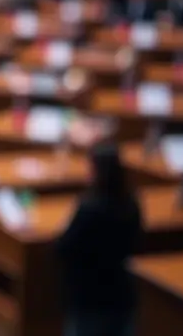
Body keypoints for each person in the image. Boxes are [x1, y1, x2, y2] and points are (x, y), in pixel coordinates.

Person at [56, 142, 141, 336]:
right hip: (122, 292)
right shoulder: (131, 204)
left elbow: (63, 249)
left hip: (90, 296)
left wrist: (65, 227)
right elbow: (137, 241)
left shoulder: (89, 209)